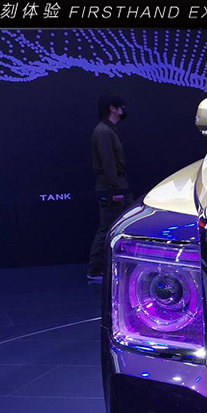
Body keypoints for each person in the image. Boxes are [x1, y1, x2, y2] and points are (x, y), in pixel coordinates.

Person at [87, 94, 131, 282]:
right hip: (111, 185)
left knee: (122, 224)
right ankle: (95, 270)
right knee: (107, 227)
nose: (123, 109)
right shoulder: (104, 132)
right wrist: (114, 190)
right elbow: (108, 162)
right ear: (112, 108)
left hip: (117, 184)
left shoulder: (110, 130)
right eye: (120, 106)